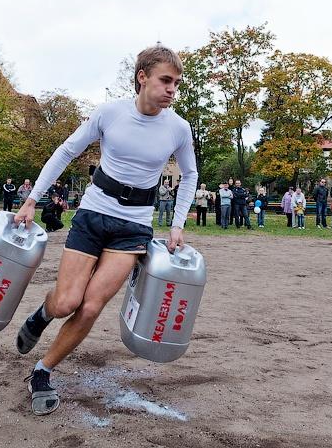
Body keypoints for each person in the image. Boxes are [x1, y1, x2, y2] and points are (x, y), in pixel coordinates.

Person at [11, 45, 196, 416]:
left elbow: (190, 174)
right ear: (142, 77)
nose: (172, 89)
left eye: (176, 83)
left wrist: (177, 223)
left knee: (91, 306)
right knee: (67, 302)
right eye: (165, 80)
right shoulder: (110, 113)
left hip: (134, 227)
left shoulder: (178, 128)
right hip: (94, 214)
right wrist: (32, 199)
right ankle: (43, 314)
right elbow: (66, 152)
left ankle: (43, 371)